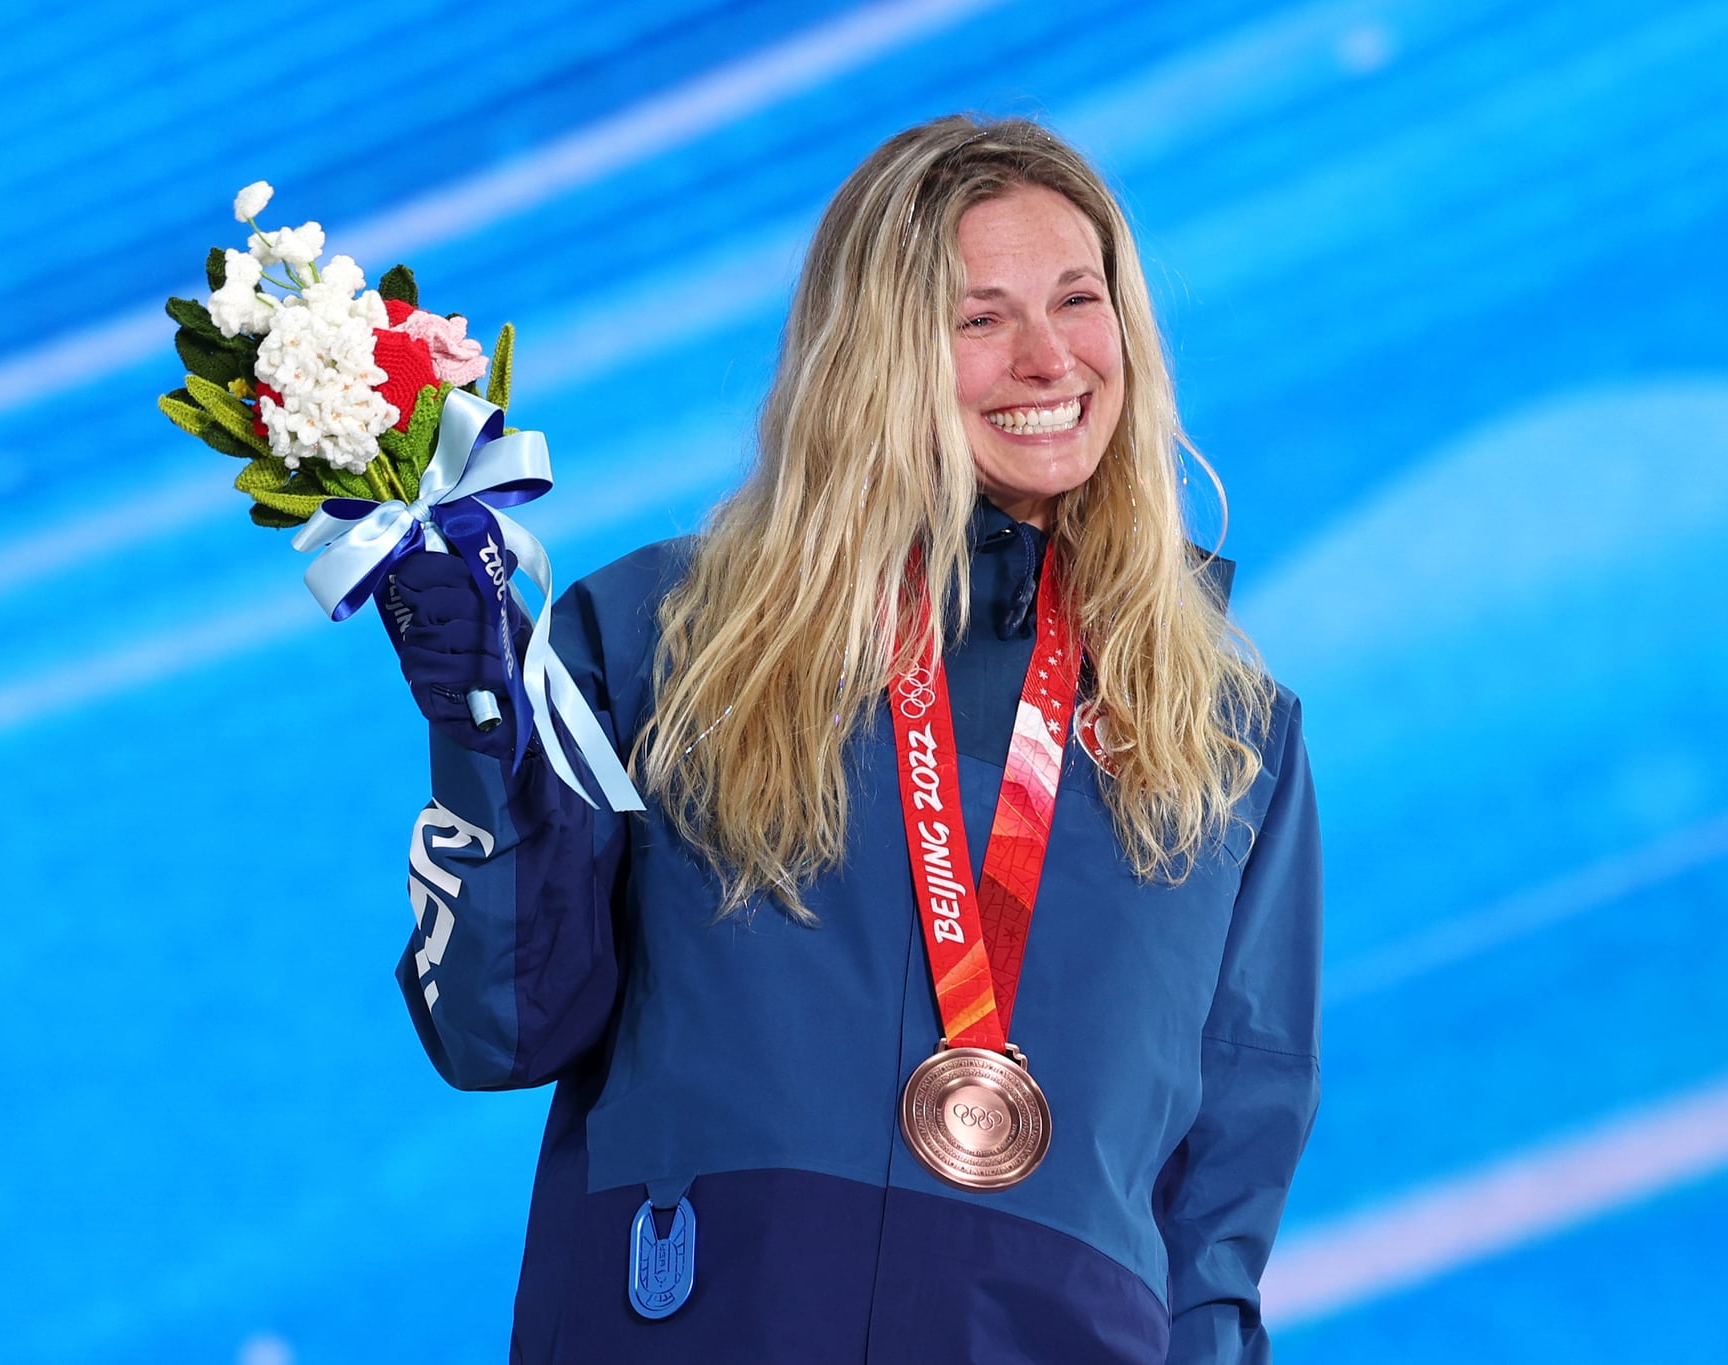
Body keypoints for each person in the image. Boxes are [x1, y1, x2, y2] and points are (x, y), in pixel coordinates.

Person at [385, 114, 1321, 1364]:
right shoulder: (667, 636)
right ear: (871, 354)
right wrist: (482, 729)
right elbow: (501, 1029)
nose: (1049, 360)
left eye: (1077, 301)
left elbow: (1220, 1204)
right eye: (978, 319)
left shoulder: (1225, 738)